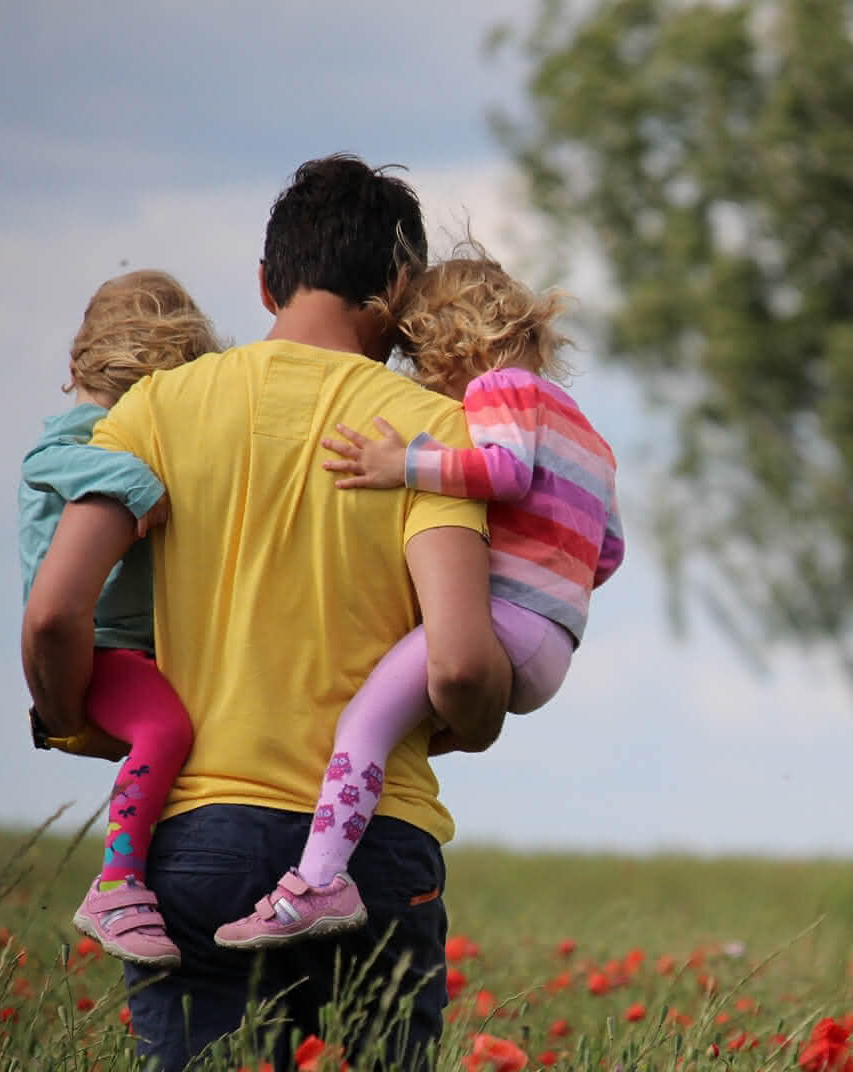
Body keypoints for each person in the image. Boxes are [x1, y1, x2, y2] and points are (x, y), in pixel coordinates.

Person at [21, 155, 512, 1072]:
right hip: (373, 849)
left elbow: (52, 611)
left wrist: (75, 716)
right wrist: (480, 718)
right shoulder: (432, 434)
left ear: (264, 283)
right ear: (400, 289)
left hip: (196, 840)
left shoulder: (156, 408)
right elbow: (458, 665)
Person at [214, 245, 625, 949]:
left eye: (422, 359)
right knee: (401, 725)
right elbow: (608, 552)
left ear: (454, 343)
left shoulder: (500, 388)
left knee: (362, 725)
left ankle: (318, 882)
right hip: (554, 643)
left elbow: (504, 472)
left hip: (504, 621)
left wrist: (403, 464)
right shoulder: (589, 434)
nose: (424, 379)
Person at [19, 270, 220, 968]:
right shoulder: (85, 434)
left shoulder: (115, 427)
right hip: (101, 646)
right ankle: (117, 882)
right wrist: (136, 481)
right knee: (166, 730)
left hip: (134, 646)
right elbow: (46, 460)